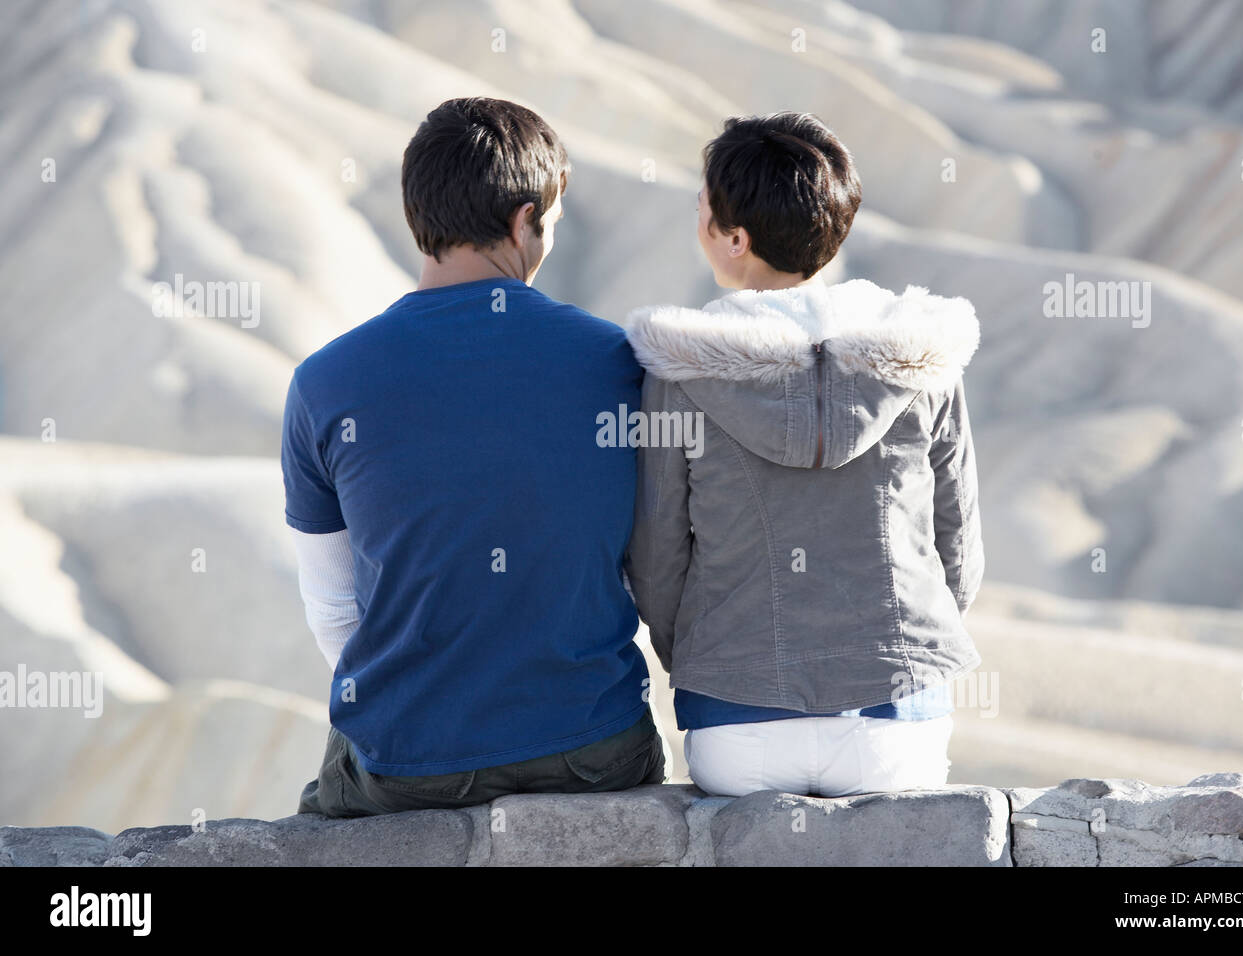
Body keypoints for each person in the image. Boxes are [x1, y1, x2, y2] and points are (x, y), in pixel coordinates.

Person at [283, 97, 664, 817]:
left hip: (406, 764)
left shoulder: (323, 382)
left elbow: (333, 610)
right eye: (548, 223)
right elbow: (651, 562)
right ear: (524, 221)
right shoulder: (620, 362)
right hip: (593, 750)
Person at [623, 112, 984, 798]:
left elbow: (657, 559)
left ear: (736, 238)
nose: (696, 217)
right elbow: (957, 548)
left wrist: (710, 662)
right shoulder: (920, 359)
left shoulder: (679, 374)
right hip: (896, 725)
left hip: (737, 728)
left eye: (702, 206)